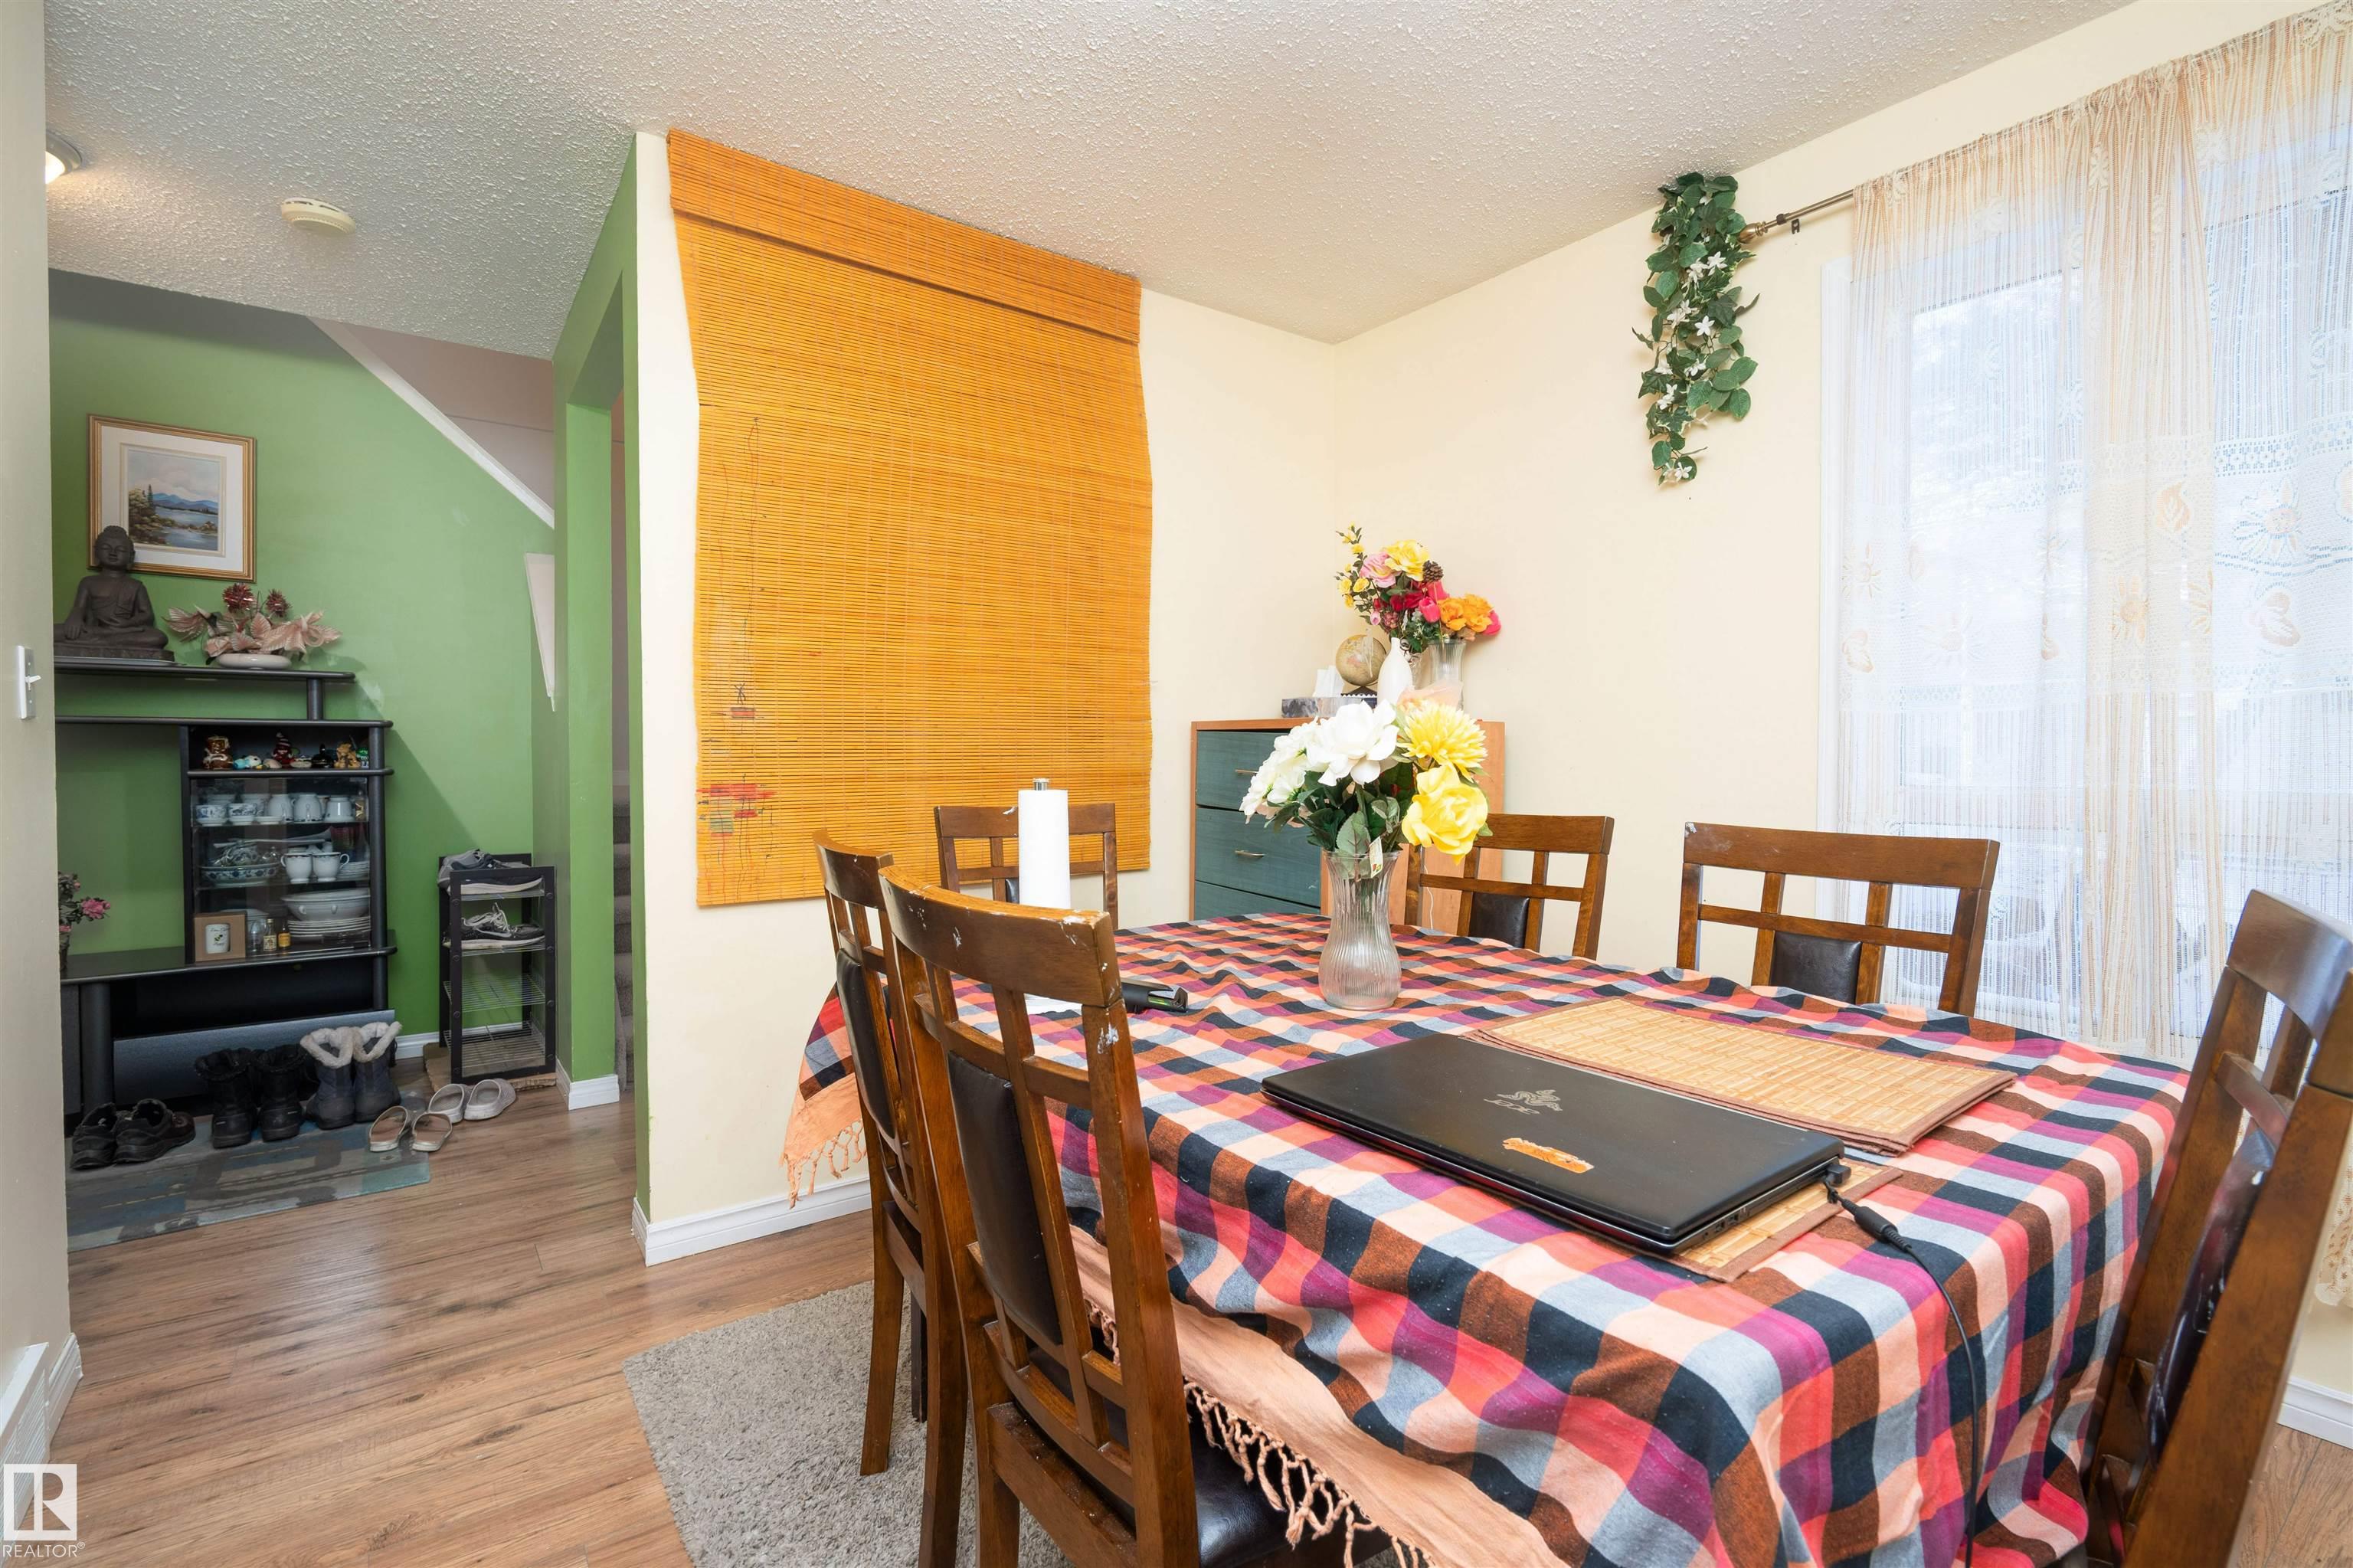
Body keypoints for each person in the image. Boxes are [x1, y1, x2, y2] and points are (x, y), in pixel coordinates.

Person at [57, 525, 172, 657]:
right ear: (96, 552)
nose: (113, 553)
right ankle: (102, 642)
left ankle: (96, 643)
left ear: (131, 556)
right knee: (52, 633)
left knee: (158, 637)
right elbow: (79, 608)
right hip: (95, 630)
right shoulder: (88, 582)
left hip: (122, 631)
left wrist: (127, 623)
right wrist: (74, 619)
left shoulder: (135, 586)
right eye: (106, 548)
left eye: (120, 550)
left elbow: (147, 615)